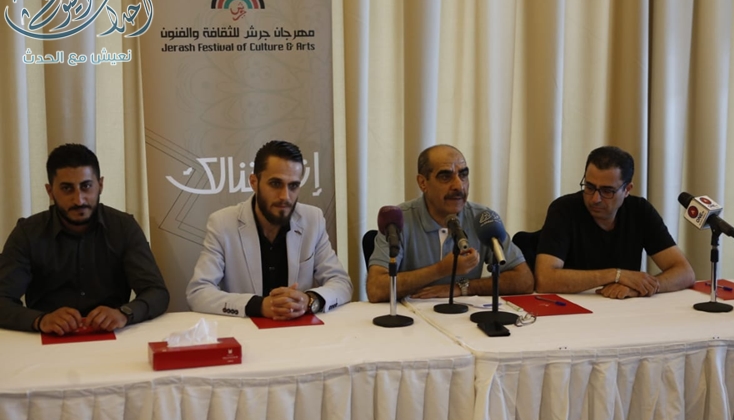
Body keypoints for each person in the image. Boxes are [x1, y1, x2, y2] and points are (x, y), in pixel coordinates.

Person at [0, 144, 169, 334]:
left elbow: (157, 293)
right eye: (67, 188)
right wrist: (40, 320)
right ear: (50, 191)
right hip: (45, 338)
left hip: (112, 335)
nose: (79, 199)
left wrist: (124, 313)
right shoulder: (27, 233)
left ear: (100, 185)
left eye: (86, 186)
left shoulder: (124, 227)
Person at [187, 140, 352, 319]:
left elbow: (341, 283)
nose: (285, 196)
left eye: (293, 186)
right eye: (275, 184)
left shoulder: (313, 219)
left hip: (300, 330)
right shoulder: (222, 223)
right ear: (254, 182)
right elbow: (198, 292)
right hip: (246, 330)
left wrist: (309, 300)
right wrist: (258, 305)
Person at [366, 144, 533, 302]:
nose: (458, 186)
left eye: (463, 175)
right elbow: (375, 289)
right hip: (410, 317)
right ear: (423, 183)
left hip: (464, 318)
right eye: (445, 177)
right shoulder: (398, 219)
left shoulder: (482, 218)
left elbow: (524, 280)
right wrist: (440, 270)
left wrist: (462, 287)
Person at [535, 146, 695, 299]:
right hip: (573, 307)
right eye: (589, 187)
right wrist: (616, 275)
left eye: (607, 191)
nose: (595, 199)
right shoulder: (564, 209)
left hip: (622, 307)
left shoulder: (640, 210)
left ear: (627, 190)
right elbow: (545, 279)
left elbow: (685, 272)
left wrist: (640, 287)